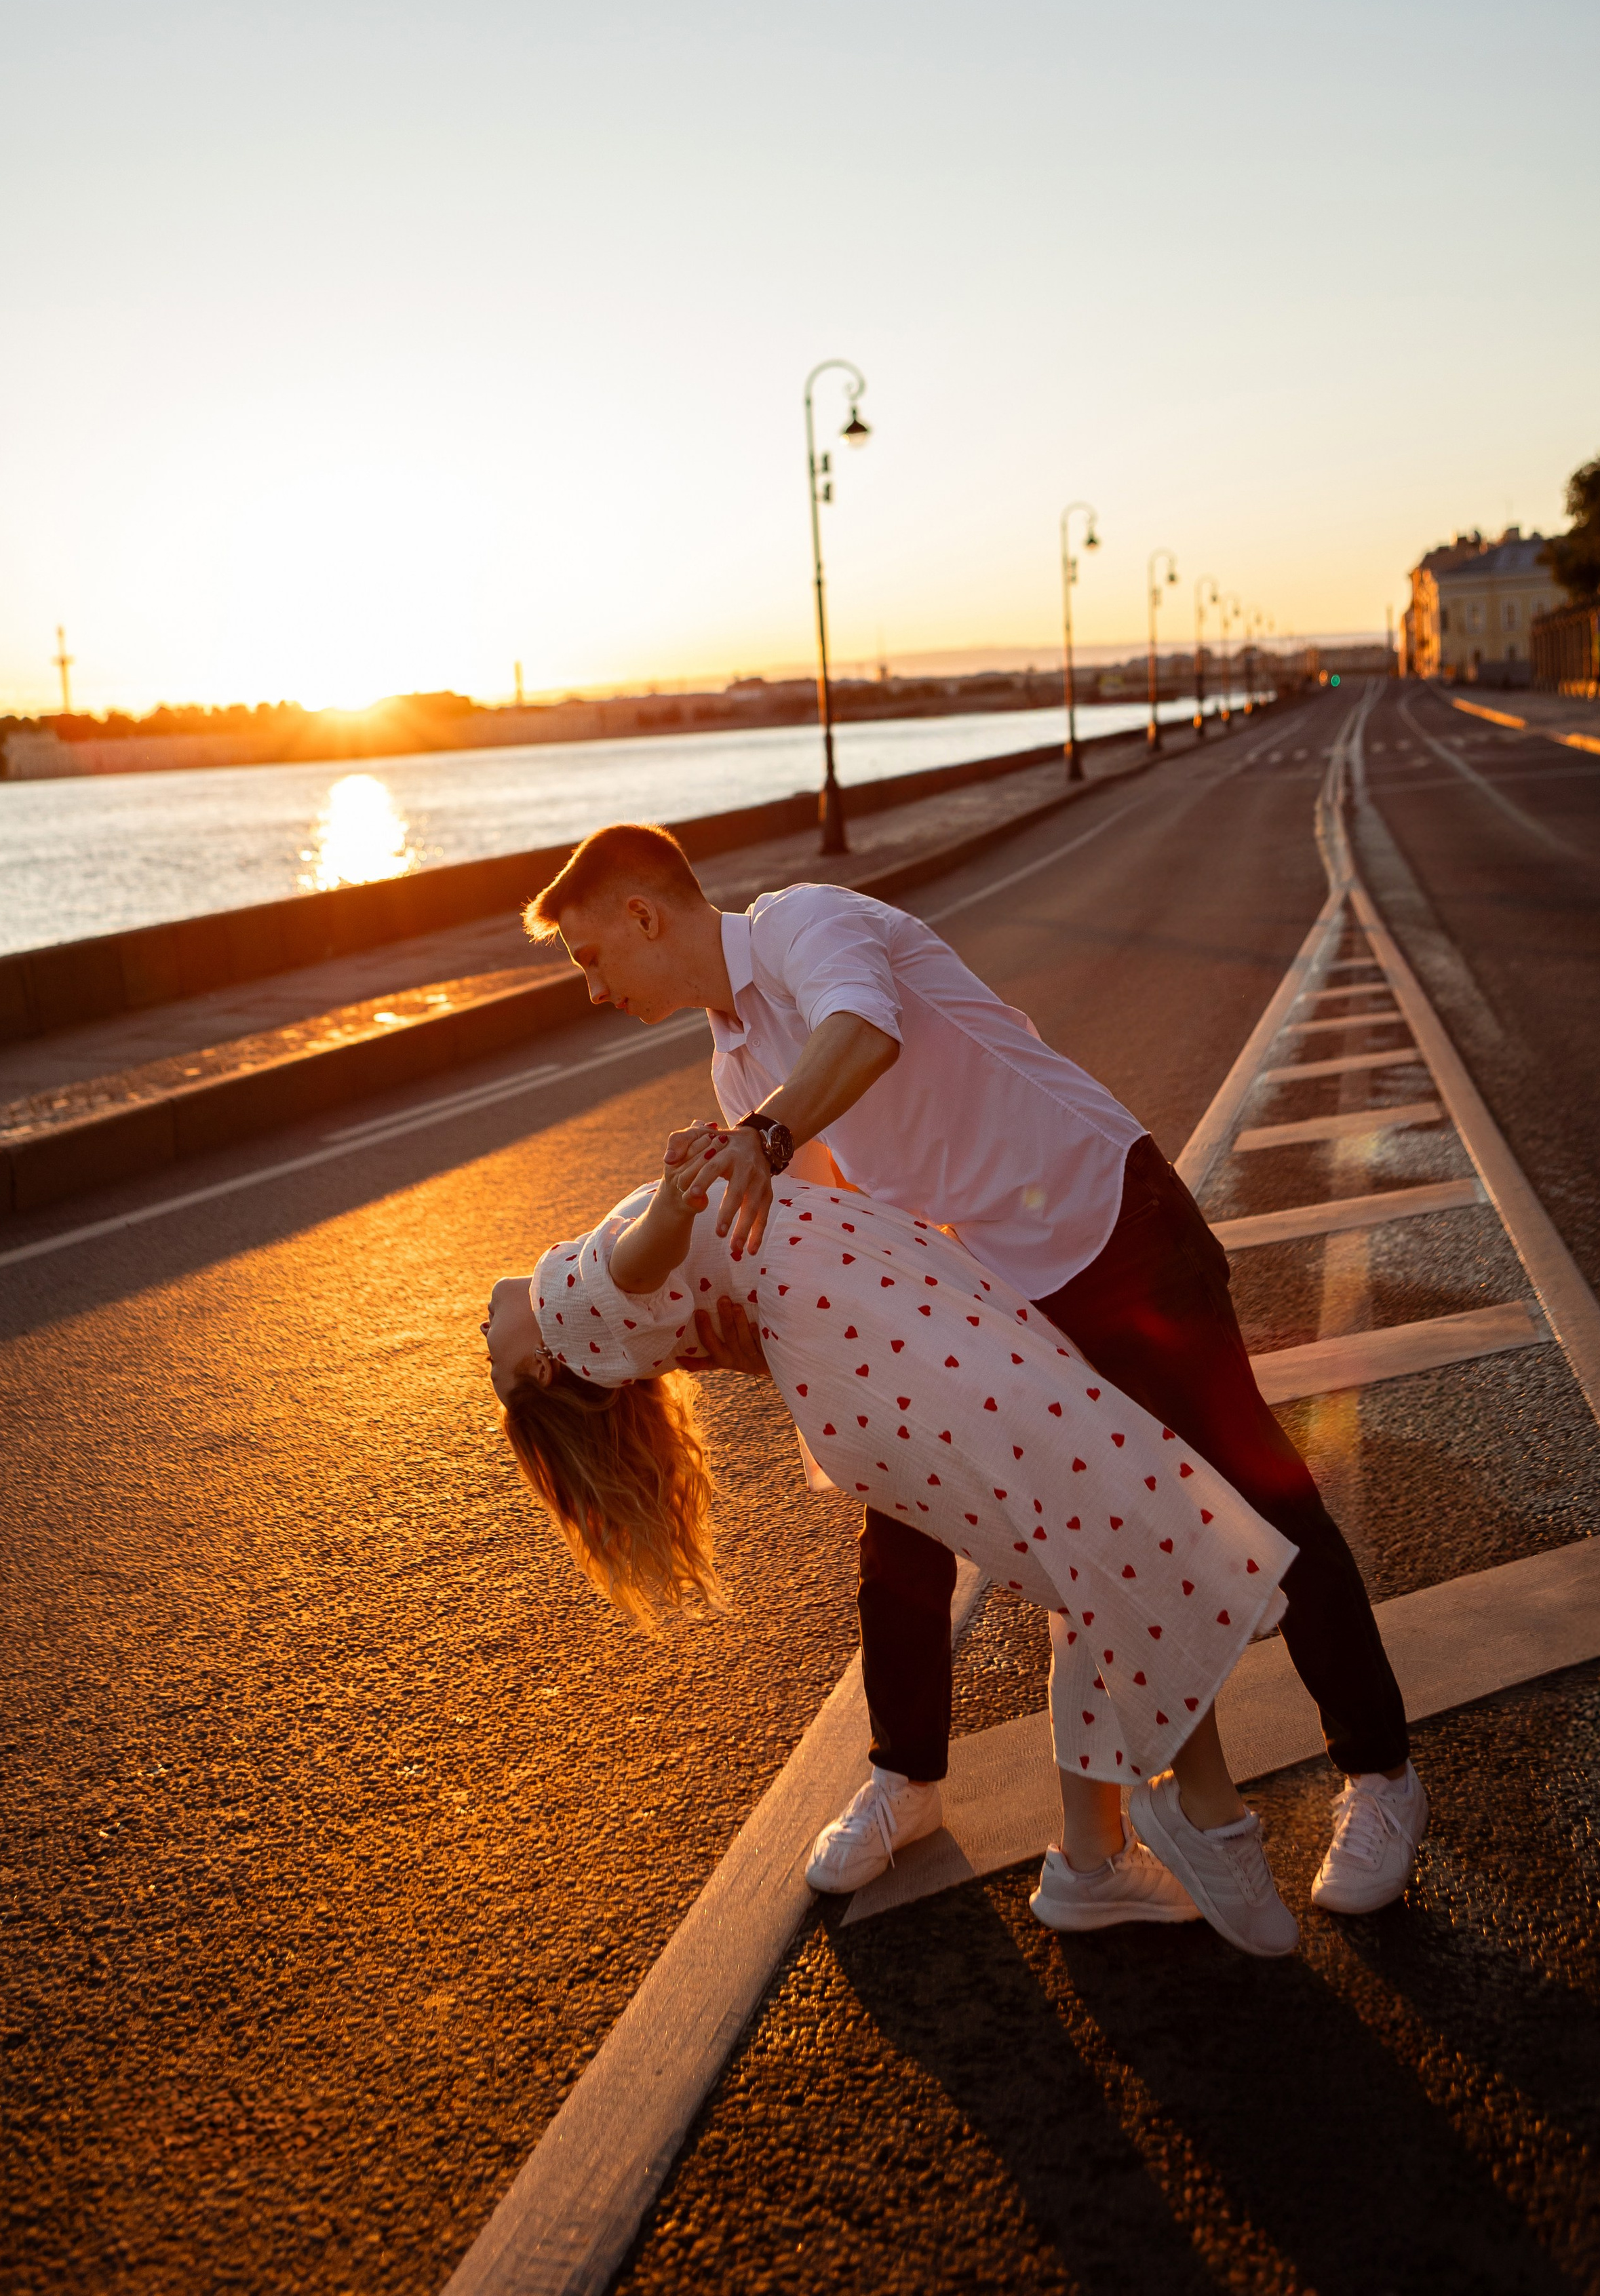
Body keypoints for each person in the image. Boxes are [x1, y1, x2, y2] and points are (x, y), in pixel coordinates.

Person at [518, 822, 1429, 1928]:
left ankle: (1379, 1778)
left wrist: (760, 1137)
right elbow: (833, 1239)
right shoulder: (736, 1062)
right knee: (896, 1522)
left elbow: (864, 1030)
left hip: (1110, 1219)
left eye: (588, 955)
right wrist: (747, 1337)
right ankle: (908, 1783)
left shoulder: (807, 925)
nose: (591, 985)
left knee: (1260, 1489)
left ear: (643, 915)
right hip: (988, 1285)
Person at [484, 1135, 1304, 1954]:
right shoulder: (565, 1308)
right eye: (494, 1361)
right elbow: (633, 1265)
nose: (482, 1329)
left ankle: (1092, 1865)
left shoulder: (588, 1325)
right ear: (545, 1369)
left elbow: (673, 1279)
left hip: (887, 1315)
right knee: (1100, 1508)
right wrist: (680, 1193)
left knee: (1080, 1535)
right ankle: (1207, 1809)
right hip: (886, 1337)